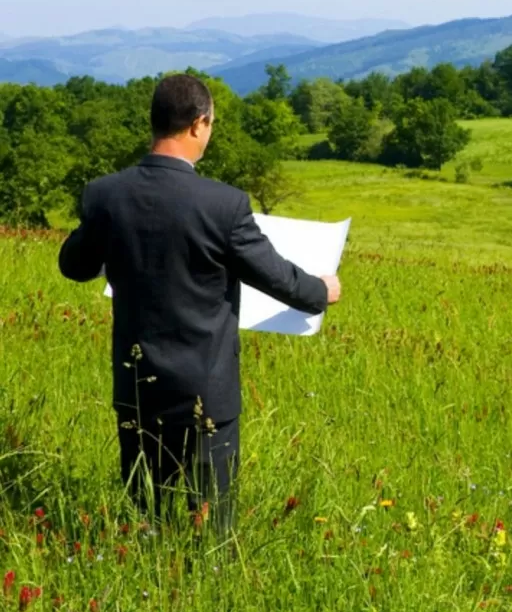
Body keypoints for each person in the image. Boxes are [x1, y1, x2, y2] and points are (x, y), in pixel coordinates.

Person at [57, 74, 341, 538]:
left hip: (137, 385)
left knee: (144, 515)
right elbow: (273, 274)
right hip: (205, 391)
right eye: (210, 125)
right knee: (212, 526)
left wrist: (103, 226)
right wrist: (320, 291)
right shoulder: (224, 205)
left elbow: (74, 265)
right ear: (198, 124)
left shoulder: (106, 195)